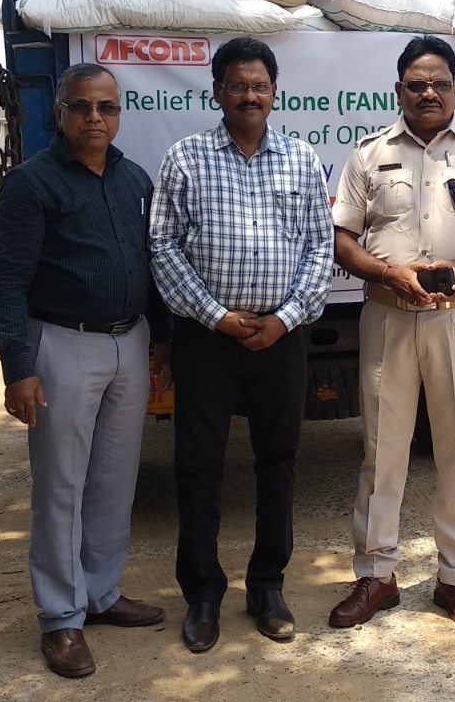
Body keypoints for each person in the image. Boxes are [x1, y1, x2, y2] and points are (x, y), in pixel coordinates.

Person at [327, 35, 455, 631]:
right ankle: (376, 575)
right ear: (399, 91)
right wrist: (391, 272)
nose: (428, 93)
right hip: (388, 315)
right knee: (381, 449)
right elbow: (341, 240)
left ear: (454, 90)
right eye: (416, 84)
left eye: (439, 83)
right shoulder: (368, 155)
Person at [0, 62, 170, 679]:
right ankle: (61, 618)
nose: (96, 118)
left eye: (107, 108)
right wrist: (19, 367)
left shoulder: (134, 179)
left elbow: (151, 266)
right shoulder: (32, 184)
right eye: (82, 107)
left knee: (114, 480)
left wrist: (161, 343)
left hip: (128, 342)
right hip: (62, 346)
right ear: (60, 112)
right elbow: (6, 282)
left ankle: (102, 593)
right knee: (60, 486)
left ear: (119, 114)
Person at [150, 37, 333, 652]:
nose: (249, 95)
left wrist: (283, 319)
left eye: (260, 86)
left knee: (277, 463)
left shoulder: (302, 160)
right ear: (217, 92)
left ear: (274, 93)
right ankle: (203, 593)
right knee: (197, 466)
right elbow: (164, 248)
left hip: (282, 339)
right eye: (237, 85)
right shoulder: (186, 159)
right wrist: (216, 316)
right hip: (207, 339)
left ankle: (267, 584)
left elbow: (319, 250)